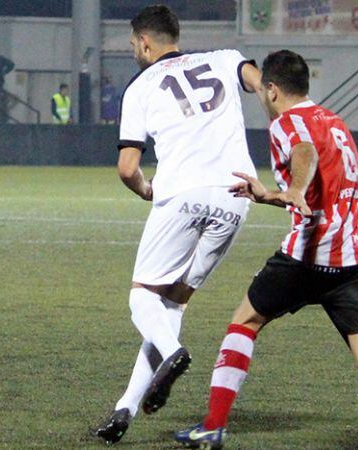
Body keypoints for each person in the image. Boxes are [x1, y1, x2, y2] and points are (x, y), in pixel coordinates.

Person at [174, 50, 358, 450]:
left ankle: (212, 426)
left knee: (245, 321)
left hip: (309, 254)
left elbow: (303, 151)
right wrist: (274, 196)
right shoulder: (336, 121)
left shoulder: (286, 123)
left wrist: (291, 189)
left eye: (262, 89)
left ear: (272, 90)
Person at [92, 5, 260, 445]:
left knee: (141, 300)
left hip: (181, 195)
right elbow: (261, 84)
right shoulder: (225, 57)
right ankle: (123, 411)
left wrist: (150, 191)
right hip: (236, 197)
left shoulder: (140, 86)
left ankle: (173, 354)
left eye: (133, 45)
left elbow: (127, 168)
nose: (134, 52)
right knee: (172, 305)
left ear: (145, 43)